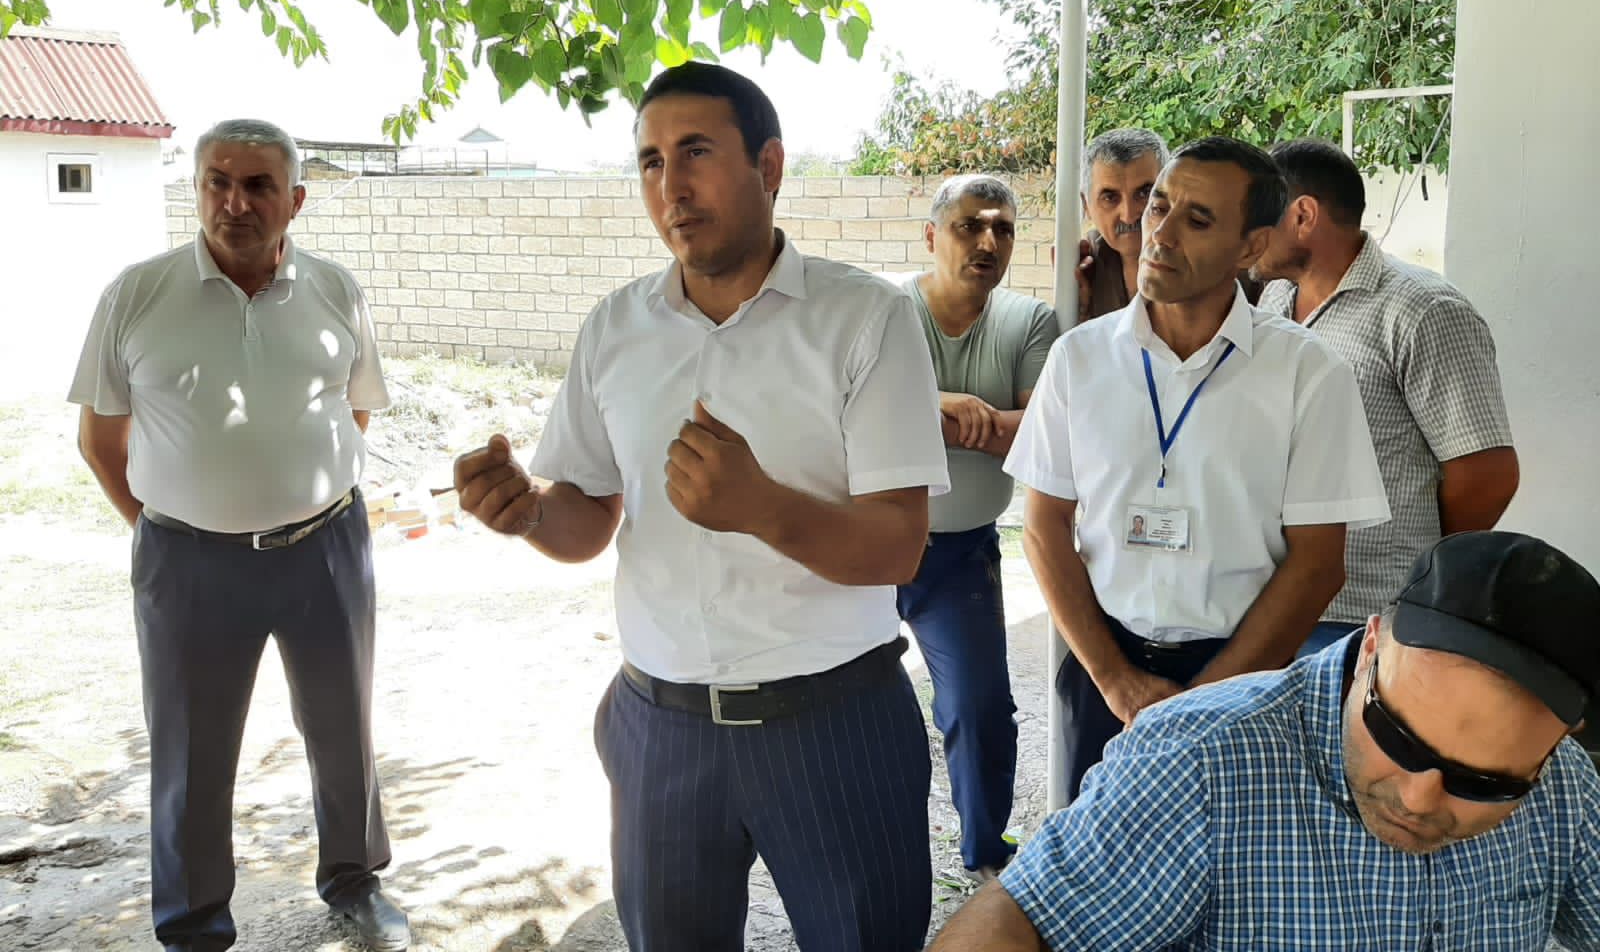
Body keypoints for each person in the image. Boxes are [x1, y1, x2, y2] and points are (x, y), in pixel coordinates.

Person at [453, 62, 949, 952]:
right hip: (663, 731)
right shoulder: (615, 328)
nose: (670, 187)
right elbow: (587, 518)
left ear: (769, 166)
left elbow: (896, 547)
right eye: (649, 161)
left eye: (695, 153)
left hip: (834, 725)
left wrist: (761, 506)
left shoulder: (866, 320)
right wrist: (526, 511)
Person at [930, 530, 1600, 951]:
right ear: (1370, 647)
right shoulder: (1201, 760)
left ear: (1554, 749)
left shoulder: (1566, 785)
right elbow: (1025, 919)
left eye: (1484, 783)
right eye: (1398, 736)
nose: (1421, 798)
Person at [70, 119, 407, 952]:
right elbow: (100, 442)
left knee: (344, 727)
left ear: (296, 200)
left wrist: (300, 491)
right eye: (217, 182)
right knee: (190, 745)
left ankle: (355, 880)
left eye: (259, 185)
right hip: (187, 561)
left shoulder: (335, 291)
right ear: (196, 190)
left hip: (326, 550)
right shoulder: (136, 295)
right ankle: (192, 923)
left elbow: (352, 412)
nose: (236, 202)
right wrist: (172, 530)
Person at [1004, 136, 1389, 801]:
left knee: (1237, 861)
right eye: (1161, 206)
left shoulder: (1307, 373)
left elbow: (1319, 564)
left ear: (1250, 247)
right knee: (1099, 858)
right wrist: (1115, 679)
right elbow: (1043, 528)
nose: (1158, 231)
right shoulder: (1078, 360)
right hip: (1104, 673)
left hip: (1246, 680)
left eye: (1198, 219)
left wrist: (1204, 701)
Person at [1252, 139, 1519, 655]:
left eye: (1258, 215)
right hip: (1272, 605)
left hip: (1366, 615)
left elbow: (1488, 474)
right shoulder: (1277, 297)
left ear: (1303, 216)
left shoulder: (1424, 310)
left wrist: (1417, 565)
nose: (1246, 233)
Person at [897, 174, 1059, 879]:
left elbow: (1046, 434)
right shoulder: (885, 312)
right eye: (969, 226)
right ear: (932, 236)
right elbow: (848, 414)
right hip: (870, 543)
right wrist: (949, 408)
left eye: (1003, 228)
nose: (988, 241)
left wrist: (934, 418)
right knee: (861, 710)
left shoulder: (1029, 322)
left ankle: (987, 852)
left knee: (981, 708)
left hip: (961, 555)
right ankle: (881, 848)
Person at [1072, 127, 1168, 322]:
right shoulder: (1085, 268)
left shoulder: (1210, 267)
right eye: (1110, 197)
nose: (1129, 215)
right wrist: (1080, 314)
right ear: (1086, 206)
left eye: (1145, 193)